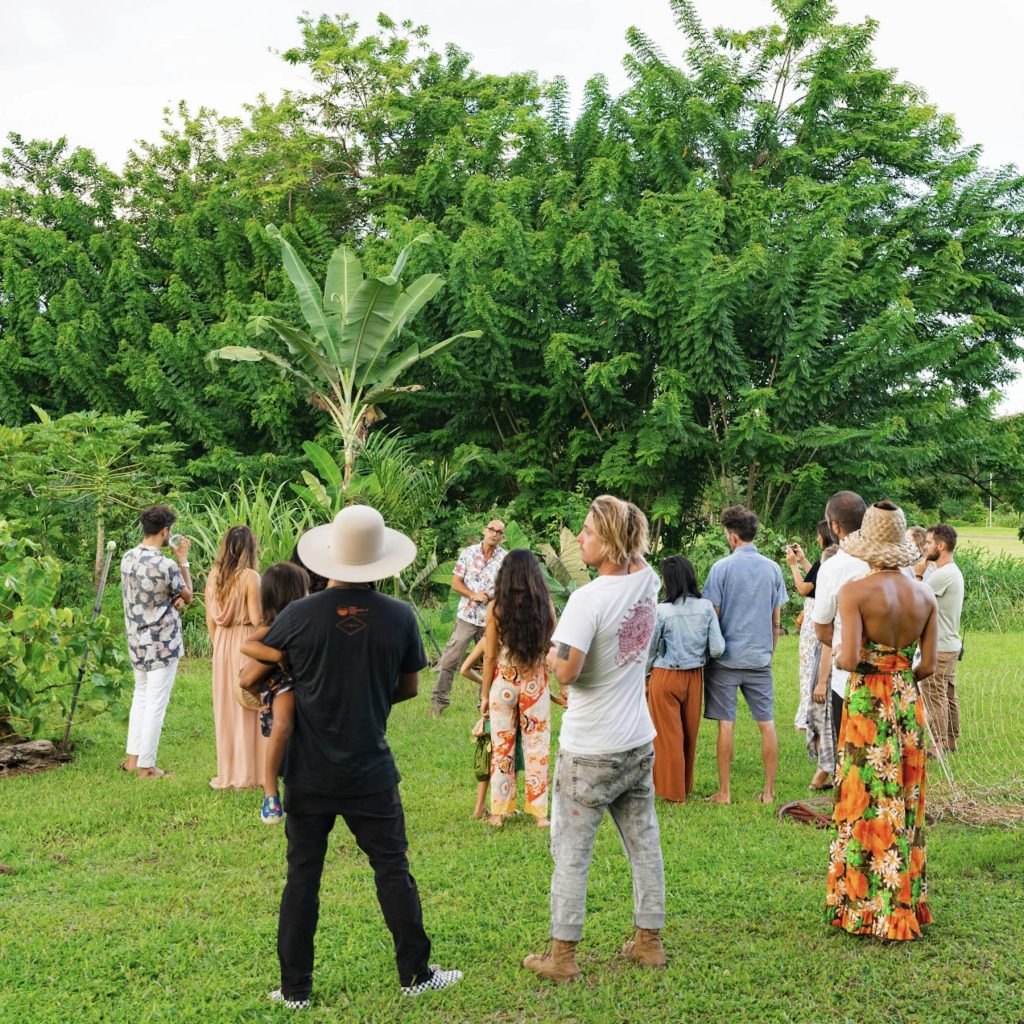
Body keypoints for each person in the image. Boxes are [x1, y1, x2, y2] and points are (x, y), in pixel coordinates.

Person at [239, 505, 461, 1008]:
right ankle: (416, 974)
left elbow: (255, 658)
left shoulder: (298, 614)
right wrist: (370, 690)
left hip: (308, 772)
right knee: (392, 869)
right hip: (370, 769)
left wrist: (301, 667)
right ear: (379, 560)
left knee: (302, 879)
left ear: (331, 558)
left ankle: (294, 990)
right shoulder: (401, 617)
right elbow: (407, 687)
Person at [523, 496, 665, 983]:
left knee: (571, 851)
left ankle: (562, 956)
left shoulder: (587, 599)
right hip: (637, 740)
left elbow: (569, 671)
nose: (579, 537)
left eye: (587, 531)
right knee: (643, 842)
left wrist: (548, 657)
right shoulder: (648, 580)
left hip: (589, 749)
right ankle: (649, 942)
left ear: (610, 542)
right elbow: (639, 558)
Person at [828, 500, 937, 941]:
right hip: (907, 699)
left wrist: (839, 655)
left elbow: (849, 657)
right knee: (905, 797)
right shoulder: (924, 594)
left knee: (863, 800)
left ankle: (864, 907)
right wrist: (898, 675)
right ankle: (905, 900)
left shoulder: (854, 591)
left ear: (866, 545)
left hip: (867, 703)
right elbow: (926, 665)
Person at [701, 506, 788, 805]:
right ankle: (769, 792)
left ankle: (724, 792)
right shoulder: (773, 569)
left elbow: (713, 615)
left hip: (726, 659)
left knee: (726, 724)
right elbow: (776, 618)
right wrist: (771, 649)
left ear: (733, 536)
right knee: (767, 723)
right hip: (759, 658)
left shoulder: (721, 568)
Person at [479, 549, 558, 828]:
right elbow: (553, 649)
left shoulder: (496, 607)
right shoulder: (545, 605)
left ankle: (499, 813)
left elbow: (489, 656)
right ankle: (540, 815)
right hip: (535, 683)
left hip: (504, 683)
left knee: (502, 746)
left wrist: (484, 695)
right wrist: (561, 689)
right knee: (537, 746)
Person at [120, 504, 192, 778]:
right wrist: (183, 560)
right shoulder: (166, 564)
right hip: (162, 642)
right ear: (165, 531)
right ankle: (147, 766)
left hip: (136, 639)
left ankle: (132, 758)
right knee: (156, 702)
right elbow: (188, 596)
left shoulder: (128, 558)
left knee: (140, 696)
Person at [645, 556, 724, 802]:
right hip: (694, 677)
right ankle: (685, 786)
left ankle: (672, 791)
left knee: (668, 736)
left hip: (665, 676)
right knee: (689, 733)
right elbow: (718, 648)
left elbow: (650, 650)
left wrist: (646, 676)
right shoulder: (706, 607)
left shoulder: (661, 610)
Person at [239, 562, 309, 824]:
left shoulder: (303, 619)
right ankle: (270, 792)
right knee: (282, 723)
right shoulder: (273, 626)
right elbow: (248, 646)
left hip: (300, 680)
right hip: (282, 684)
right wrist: (277, 655)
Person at [205, 525, 264, 790]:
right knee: (248, 706)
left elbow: (211, 621)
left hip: (221, 644)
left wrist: (219, 645)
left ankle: (228, 772)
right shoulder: (250, 577)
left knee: (226, 708)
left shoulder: (213, 575)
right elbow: (257, 618)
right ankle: (250, 773)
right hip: (245, 642)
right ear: (250, 548)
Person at [428, 520, 507, 715]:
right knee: (450, 659)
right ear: (484, 531)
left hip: (491, 618)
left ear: (502, 537)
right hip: (467, 616)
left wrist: (489, 596)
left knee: (492, 661)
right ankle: (438, 704)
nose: (494, 534)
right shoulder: (468, 553)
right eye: (491, 530)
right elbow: (456, 582)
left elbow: (507, 588)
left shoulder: (505, 559)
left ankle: (485, 704)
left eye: (499, 532)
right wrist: (472, 595)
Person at [813, 491, 869, 746]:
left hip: (847, 677)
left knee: (848, 757)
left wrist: (840, 646)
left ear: (834, 526)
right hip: (893, 678)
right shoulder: (900, 564)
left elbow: (822, 630)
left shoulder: (834, 567)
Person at [918, 524, 965, 755]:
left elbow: (913, 597)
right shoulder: (954, 572)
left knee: (934, 694)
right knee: (948, 694)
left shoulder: (942, 575)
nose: (925, 547)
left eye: (928, 543)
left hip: (939, 647)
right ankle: (951, 741)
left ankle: (937, 746)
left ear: (941, 545)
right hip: (951, 644)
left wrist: (918, 572)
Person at [786, 521, 835, 732]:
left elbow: (804, 588)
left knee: (807, 668)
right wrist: (803, 560)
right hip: (827, 617)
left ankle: (805, 718)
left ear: (825, 536)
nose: (816, 538)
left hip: (815, 620)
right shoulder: (832, 562)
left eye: (818, 535)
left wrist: (792, 565)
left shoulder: (824, 564)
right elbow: (817, 578)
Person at [806, 544, 839, 790]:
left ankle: (824, 770)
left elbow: (828, 639)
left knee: (825, 716)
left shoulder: (835, 592)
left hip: (831, 662)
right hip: (828, 658)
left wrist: (821, 680)